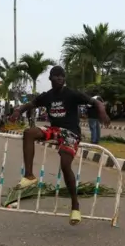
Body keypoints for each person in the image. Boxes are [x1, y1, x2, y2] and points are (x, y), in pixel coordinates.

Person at [9, 66, 110, 226]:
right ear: (50, 79)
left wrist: (102, 111)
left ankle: (75, 206)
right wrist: (18, 110)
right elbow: (31, 104)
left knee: (65, 164)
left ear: (64, 79)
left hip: (71, 133)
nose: (59, 79)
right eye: (56, 76)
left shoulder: (72, 94)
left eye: (62, 76)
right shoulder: (47, 96)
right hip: (55, 130)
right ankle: (29, 176)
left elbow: (96, 101)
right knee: (29, 133)